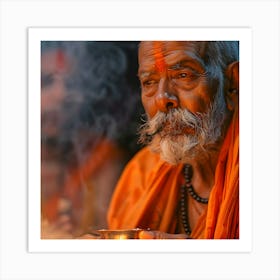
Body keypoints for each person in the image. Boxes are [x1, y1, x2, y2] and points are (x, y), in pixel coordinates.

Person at [107, 41, 239, 239]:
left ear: (232, 84)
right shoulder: (141, 176)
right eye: (149, 82)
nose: (162, 99)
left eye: (183, 75)